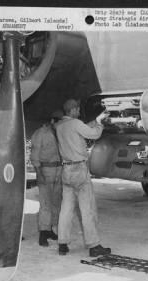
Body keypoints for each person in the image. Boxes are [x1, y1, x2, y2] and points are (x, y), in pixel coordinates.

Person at [55, 99, 111, 257]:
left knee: (65, 210)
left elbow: (81, 129)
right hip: (79, 169)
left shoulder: (59, 126)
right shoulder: (75, 123)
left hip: (66, 170)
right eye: (78, 109)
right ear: (72, 110)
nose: (79, 112)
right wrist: (99, 122)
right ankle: (94, 246)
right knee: (87, 209)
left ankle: (63, 243)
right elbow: (94, 134)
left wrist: (93, 121)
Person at [30, 110, 64, 247]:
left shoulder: (57, 133)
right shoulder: (40, 134)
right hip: (46, 170)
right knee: (45, 203)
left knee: (56, 203)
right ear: (52, 121)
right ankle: (43, 233)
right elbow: (34, 156)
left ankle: (50, 229)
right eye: (58, 121)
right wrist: (39, 174)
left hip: (58, 170)